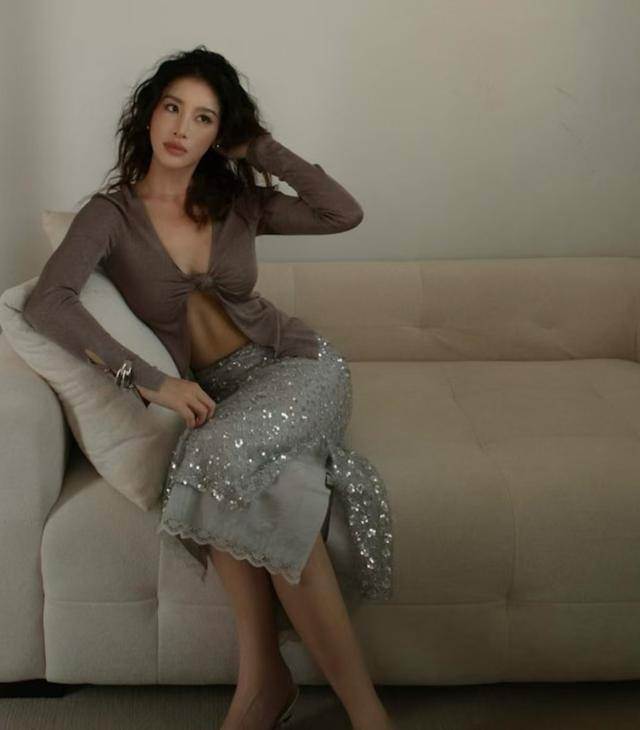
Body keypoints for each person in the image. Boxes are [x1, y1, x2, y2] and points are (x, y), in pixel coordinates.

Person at [23, 46, 395, 730]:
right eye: (172, 108)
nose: (181, 127)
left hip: (297, 367)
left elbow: (342, 213)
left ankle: (287, 694)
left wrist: (259, 148)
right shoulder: (110, 215)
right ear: (148, 114)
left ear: (218, 133)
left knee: (212, 456)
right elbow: (49, 302)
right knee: (270, 486)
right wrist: (149, 381)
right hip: (224, 395)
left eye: (203, 117)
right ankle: (287, 690)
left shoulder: (237, 202)